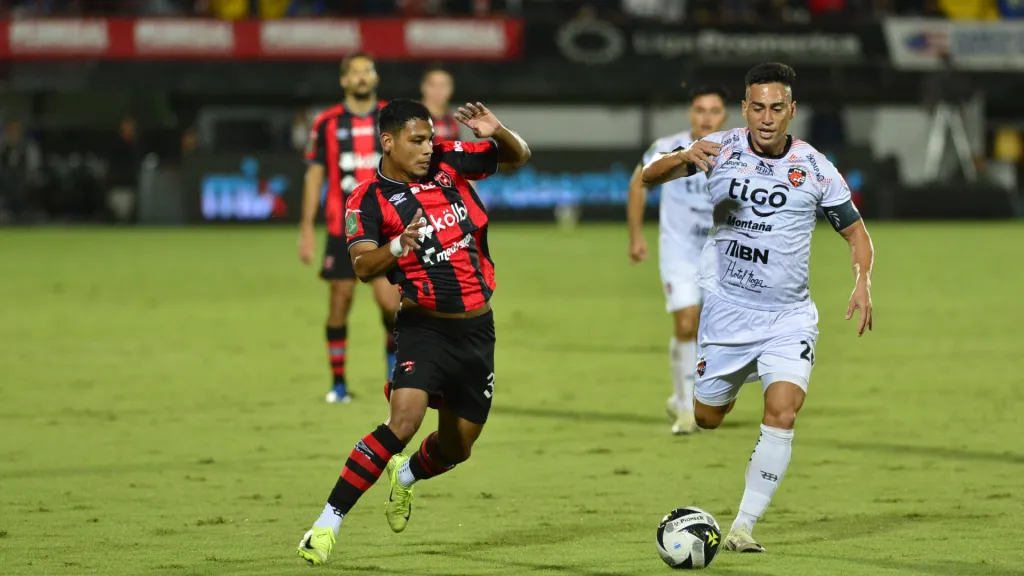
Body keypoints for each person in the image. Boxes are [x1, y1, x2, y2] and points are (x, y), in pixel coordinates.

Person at [642, 62, 874, 553]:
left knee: (783, 412)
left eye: (777, 108)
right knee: (707, 418)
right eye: (758, 107)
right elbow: (648, 176)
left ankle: (743, 526)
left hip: (788, 318)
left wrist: (862, 281)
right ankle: (745, 371)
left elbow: (854, 230)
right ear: (744, 109)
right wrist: (683, 154)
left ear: (791, 111)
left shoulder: (814, 167)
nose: (767, 118)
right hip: (727, 313)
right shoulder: (719, 148)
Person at [296, 99, 530, 566]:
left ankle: (404, 479)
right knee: (402, 421)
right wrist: (398, 247)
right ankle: (325, 525)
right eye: (416, 140)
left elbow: (518, 156)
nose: (427, 149)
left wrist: (497, 130)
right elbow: (362, 265)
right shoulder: (366, 198)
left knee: (458, 446)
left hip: (478, 330)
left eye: (428, 139)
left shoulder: (448, 159)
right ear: (389, 142)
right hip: (424, 328)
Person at [627, 85, 729, 435]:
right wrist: (636, 237)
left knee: (715, 332)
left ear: (726, 115)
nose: (706, 117)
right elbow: (639, 183)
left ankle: (692, 395)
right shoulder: (668, 148)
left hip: (725, 255)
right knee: (686, 322)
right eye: (700, 109)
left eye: (714, 110)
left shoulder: (738, 151)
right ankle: (686, 409)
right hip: (680, 250)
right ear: (690, 113)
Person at [298, 53, 399, 404]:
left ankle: (394, 378)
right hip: (343, 230)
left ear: (375, 77)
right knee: (340, 302)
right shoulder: (326, 123)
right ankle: (338, 385)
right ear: (343, 80)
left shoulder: (391, 118)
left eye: (366, 71)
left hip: (386, 228)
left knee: (391, 304)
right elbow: (314, 175)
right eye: (354, 73)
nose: (360, 77)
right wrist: (307, 228)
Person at [420, 66, 460, 144]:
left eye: (443, 85)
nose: (438, 90)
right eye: (433, 85)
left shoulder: (453, 120)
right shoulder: (410, 118)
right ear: (423, 87)